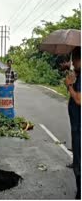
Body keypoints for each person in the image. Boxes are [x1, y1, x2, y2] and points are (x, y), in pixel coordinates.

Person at [64, 46, 81, 199]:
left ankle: (80, 193)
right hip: (76, 122)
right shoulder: (78, 73)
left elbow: (78, 99)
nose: (73, 64)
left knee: (79, 160)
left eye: (74, 60)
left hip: (79, 125)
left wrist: (69, 85)